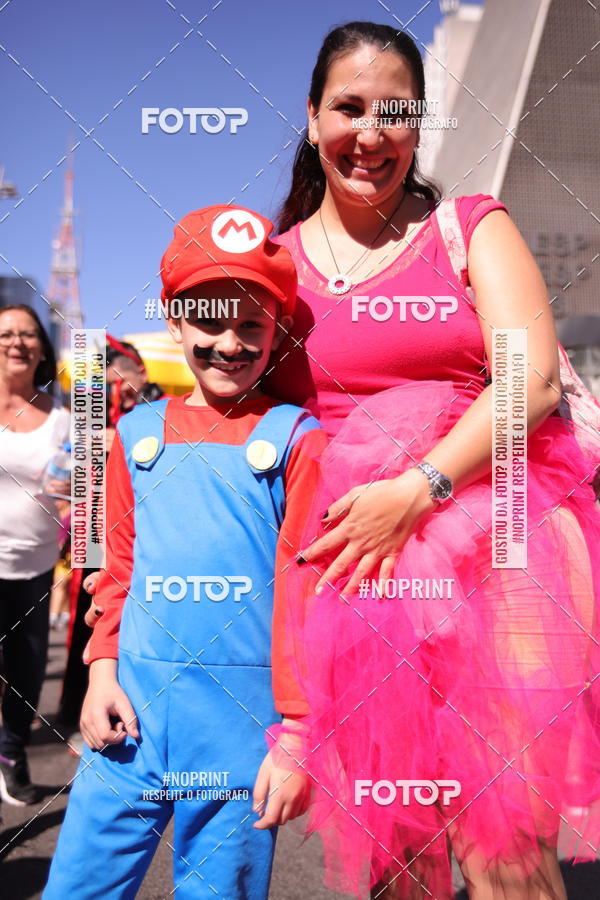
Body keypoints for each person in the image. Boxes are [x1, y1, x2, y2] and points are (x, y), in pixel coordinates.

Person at [262, 21, 600, 900]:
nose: (371, 133)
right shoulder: (273, 266)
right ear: (311, 116)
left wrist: (419, 490)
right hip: (349, 582)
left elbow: (531, 381)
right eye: (349, 107)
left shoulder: (469, 226)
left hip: (497, 559)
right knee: (396, 861)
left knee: (507, 853)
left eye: (396, 112)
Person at [43, 204, 324, 899]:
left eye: (252, 324)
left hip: (242, 730)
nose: (230, 342)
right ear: (174, 320)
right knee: (78, 886)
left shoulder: (298, 438)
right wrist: (100, 673)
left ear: (277, 331)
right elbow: (114, 570)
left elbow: (306, 593)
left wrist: (297, 732)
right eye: (209, 320)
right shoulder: (132, 434)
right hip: (129, 716)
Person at [56, 336, 164, 744]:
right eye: (105, 374)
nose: (113, 381)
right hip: (95, 529)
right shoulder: (92, 412)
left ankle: (135, 711)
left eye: (121, 373)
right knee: (87, 615)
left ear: (140, 372)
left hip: (143, 532)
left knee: (139, 618)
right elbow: (78, 478)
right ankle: (77, 711)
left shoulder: (161, 408)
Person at [0, 304, 70, 805]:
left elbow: (79, 494)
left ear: (42, 348)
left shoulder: (64, 419)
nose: (17, 342)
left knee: (26, 672)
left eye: (28, 334)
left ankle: (11, 751)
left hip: (36, 565)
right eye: (6, 334)